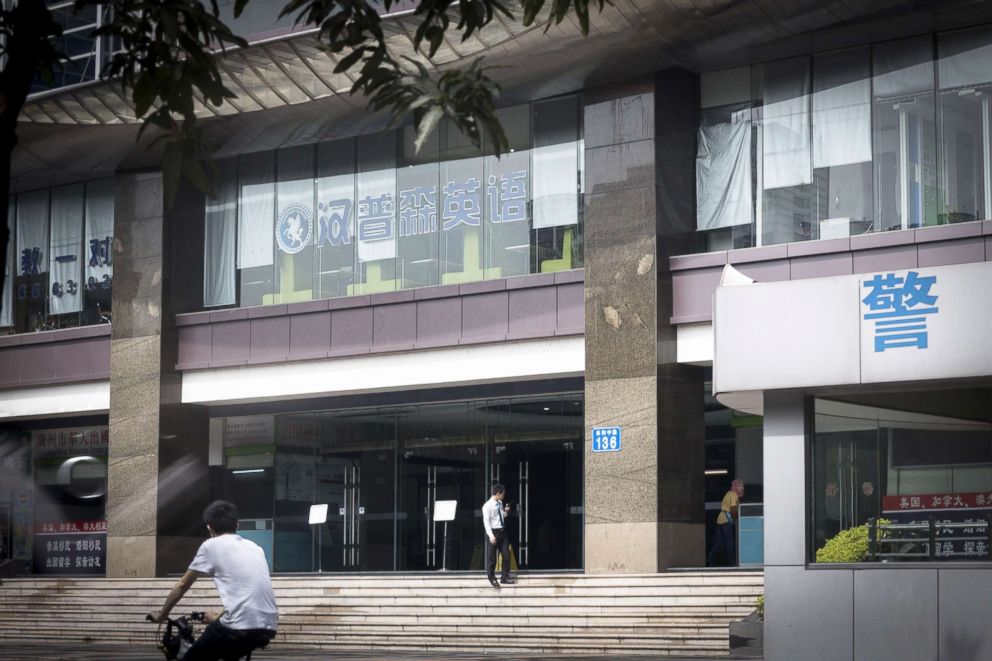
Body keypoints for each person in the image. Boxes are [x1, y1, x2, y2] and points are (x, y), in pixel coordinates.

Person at [149, 500, 278, 661]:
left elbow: (182, 585)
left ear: (209, 528)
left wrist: (162, 615)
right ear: (237, 525)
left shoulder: (210, 546)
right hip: (269, 624)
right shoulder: (255, 548)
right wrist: (217, 617)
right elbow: (248, 592)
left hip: (239, 625)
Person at [482, 483, 514, 588]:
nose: (503, 496)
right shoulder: (487, 506)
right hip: (493, 532)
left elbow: (501, 516)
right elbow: (486, 522)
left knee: (506, 555)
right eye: (503, 494)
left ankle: (504, 577)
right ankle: (492, 578)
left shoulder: (500, 503)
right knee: (492, 558)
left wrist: (506, 511)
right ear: (498, 493)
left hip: (502, 532)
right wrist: (491, 536)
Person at [707, 479, 744, 567]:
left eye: (742, 486)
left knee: (720, 542)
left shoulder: (728, 494)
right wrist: (736, 521)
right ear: (735, 487)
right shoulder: (733, 495)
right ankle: (731, 563)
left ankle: (710, 558)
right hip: (727, 520)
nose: (742, 488)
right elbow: (733, 509)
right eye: (740, 486)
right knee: (729, 542)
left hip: (721, 519)